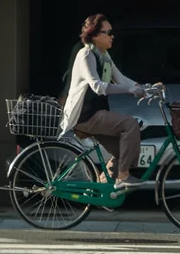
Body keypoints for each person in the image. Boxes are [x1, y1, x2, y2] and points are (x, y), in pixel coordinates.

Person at [59, 13, 145, 189]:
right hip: (86, 115)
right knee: (130, 125)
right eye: (109, 32)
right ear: (96, 35)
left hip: (96, 113)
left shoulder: (103, 55)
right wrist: (130, 90)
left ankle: (102, 190)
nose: (113, 36)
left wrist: (144, 88)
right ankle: (122, 176)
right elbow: (98, 86)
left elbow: (120, 79)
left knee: (123, 152)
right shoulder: (86, 55)